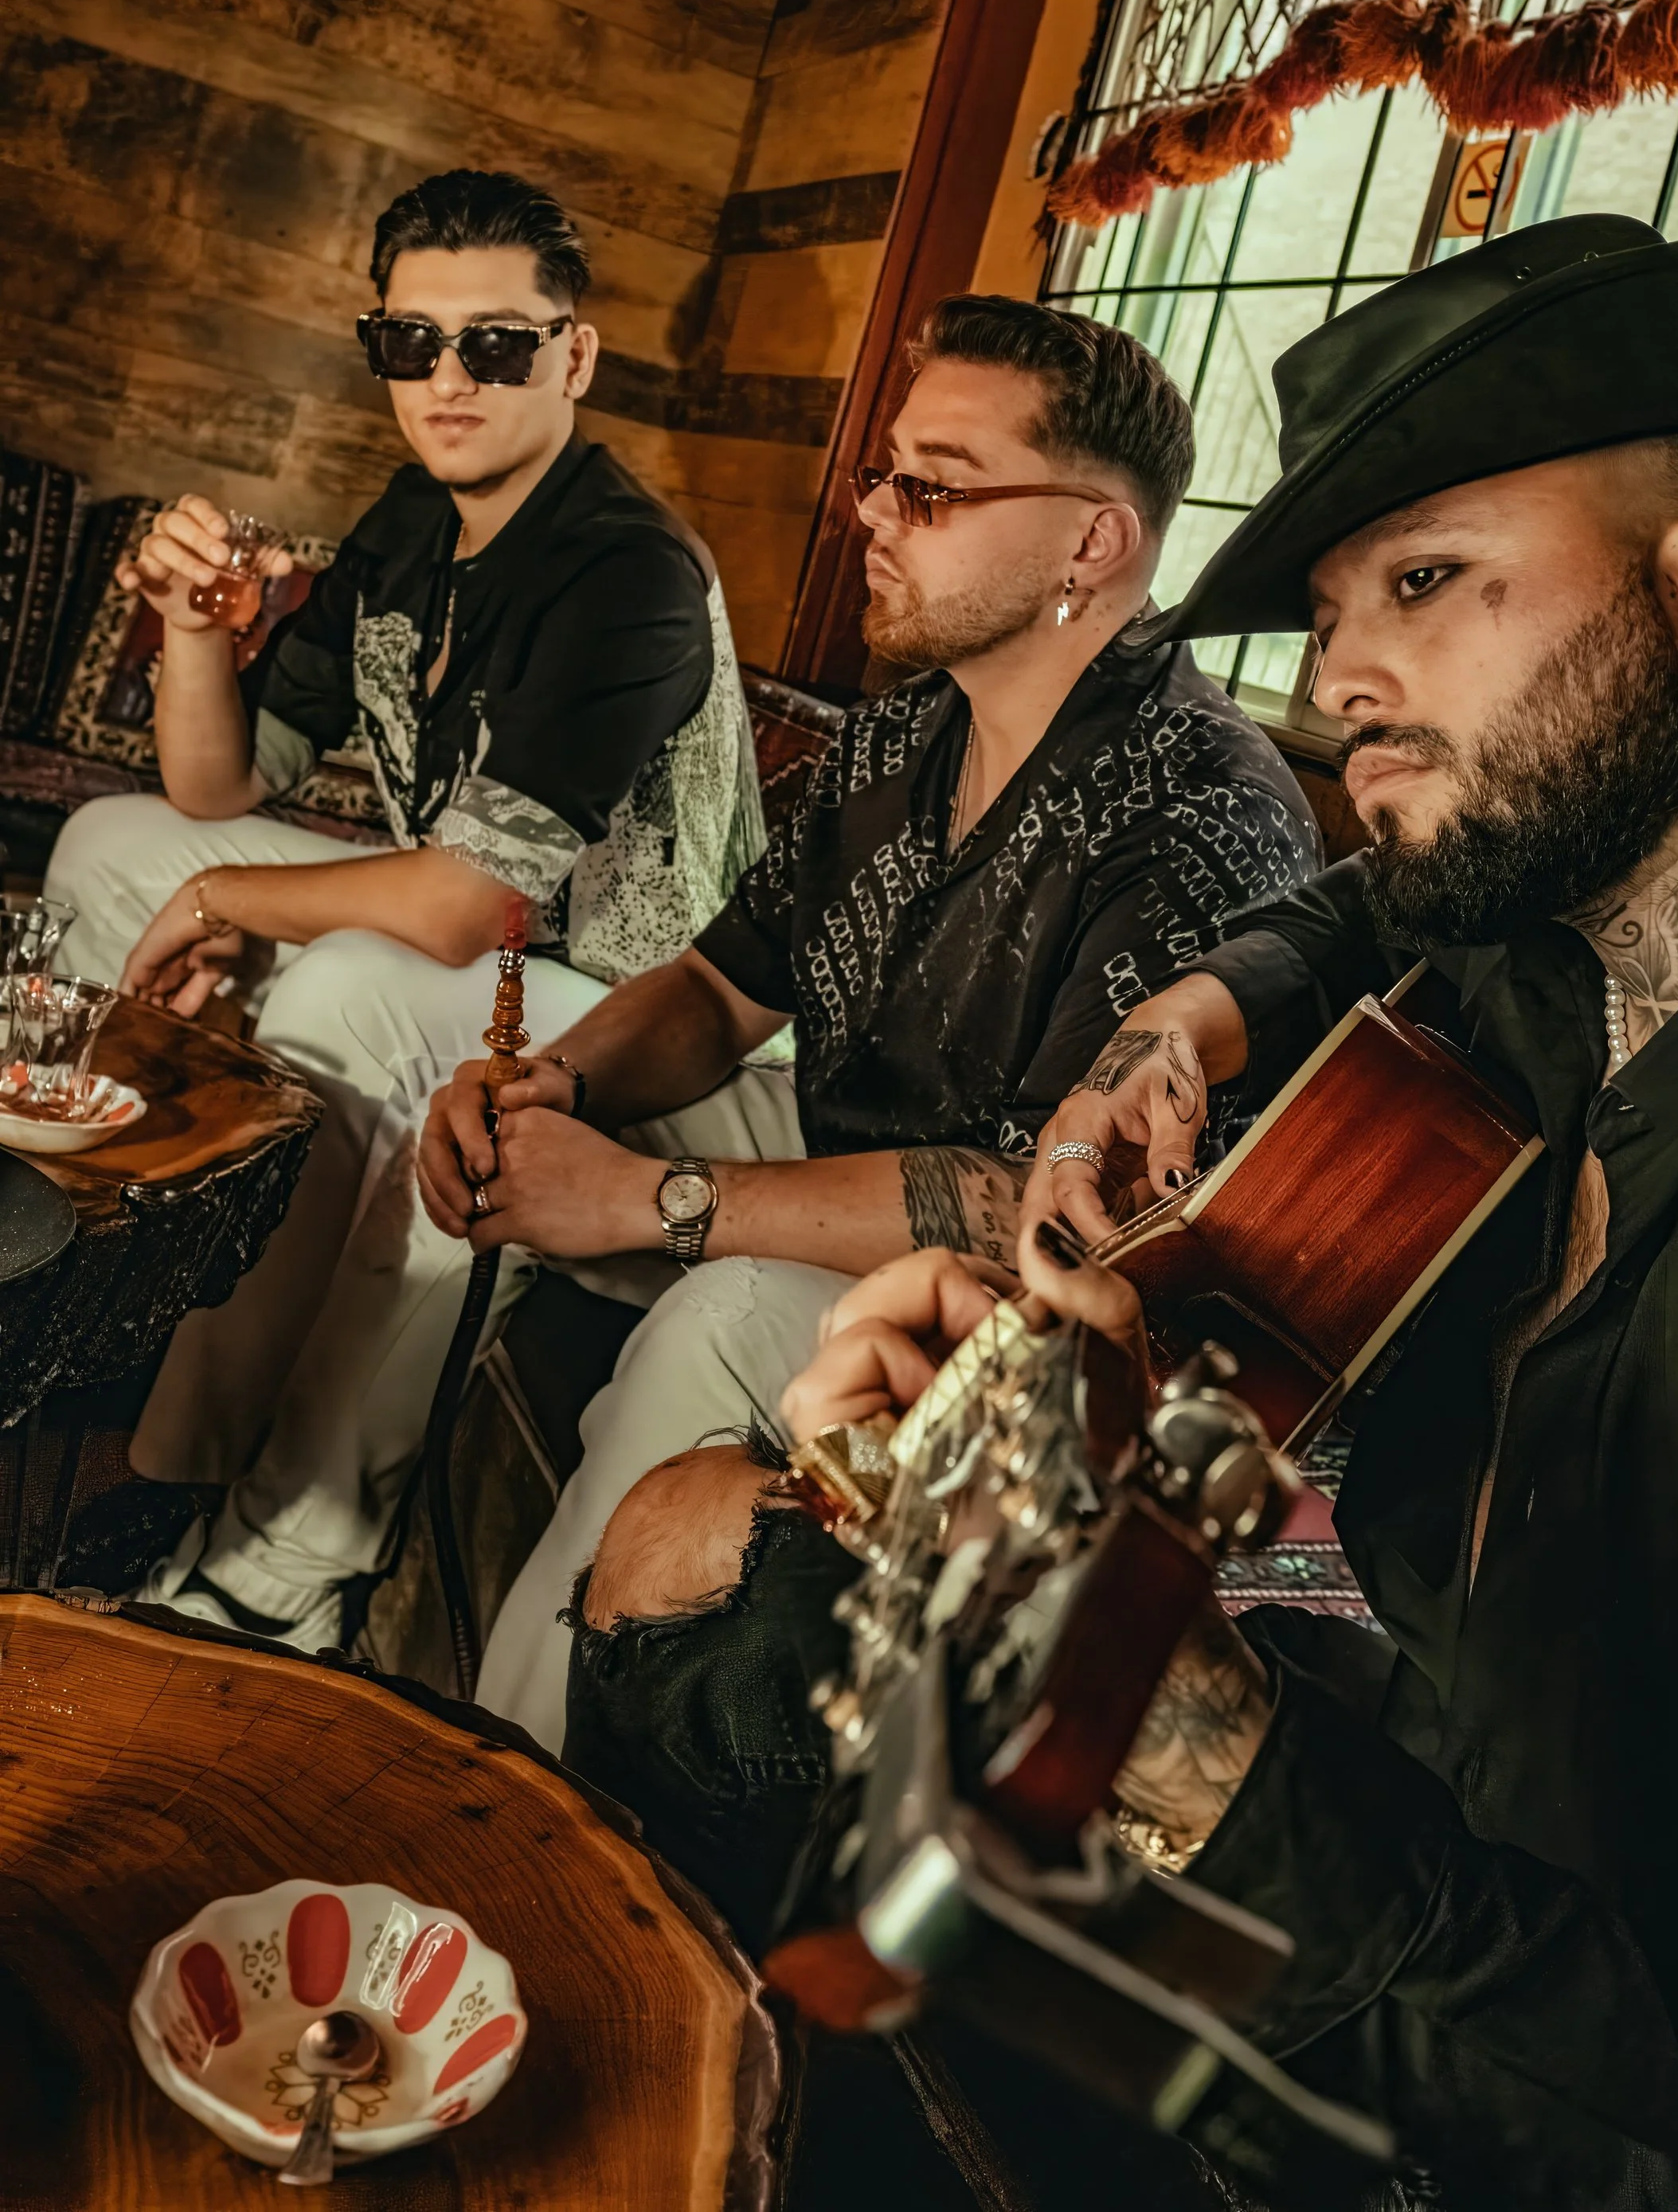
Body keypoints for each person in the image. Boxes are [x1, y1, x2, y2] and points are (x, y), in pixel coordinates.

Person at [566, 217, 1678, 2209]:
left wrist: (1207, 1756)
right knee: (683, 1550)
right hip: (1371, 1708)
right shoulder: (1564, 892)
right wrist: (1174, 1047)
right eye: (1331, 612)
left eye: (1425, 582)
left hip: (1511, 2036)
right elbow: (1352, 903)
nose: (1337, 685)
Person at [413, 295, 1324, 1752]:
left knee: (719, 1317)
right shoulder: (908, 729)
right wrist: (556, 1082)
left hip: (1029, 1336)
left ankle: (498, 1780)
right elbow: (722, 987)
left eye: (935, 486)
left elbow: (1033, 1214)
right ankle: (315, 1543)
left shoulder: (1200, 812)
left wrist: (654, 1200)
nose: (876, 518)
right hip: (846, 1147)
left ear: (1094, 543)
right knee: (463, 1064)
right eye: (883, 475)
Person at [47, 167, 762, 1542]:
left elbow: (466, 901)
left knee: (346, 985)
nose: (449, 378)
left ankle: (244, 1505)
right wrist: (191, 626)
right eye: (408, 342)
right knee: (104, 845)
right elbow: (220, 782)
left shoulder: (628, 572)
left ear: (574, 355)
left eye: (495, 343)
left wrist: (233, 902)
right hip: (491, 949)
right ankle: (103, 1295)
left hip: (647, 1003)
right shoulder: (409, 524)